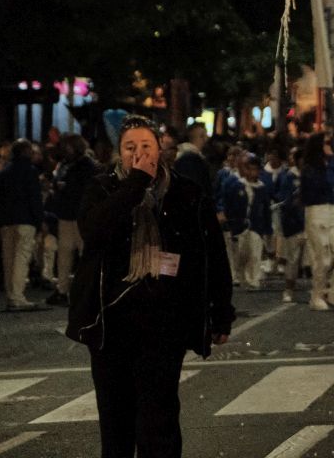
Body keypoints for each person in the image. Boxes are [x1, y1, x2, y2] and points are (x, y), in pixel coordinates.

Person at [66, 116, 233, 458]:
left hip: (164, 322)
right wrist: (136, 184)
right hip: (111, 321)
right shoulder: (102, 188)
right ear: (119, 152)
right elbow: (94, 231)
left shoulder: (185, 192)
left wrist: (220, 312)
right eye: (130, 147)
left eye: (146, 146)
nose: (138, 154)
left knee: (159, 420)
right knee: (116, 422)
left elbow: (211, 254)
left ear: (161, 149)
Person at [300, 133, 334, 312]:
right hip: (316, 211)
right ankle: (317, 295)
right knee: (323, 259)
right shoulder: (310, 168)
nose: (331, 145)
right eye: (327, 143)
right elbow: (312, 190)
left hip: (333, 210)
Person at [46, 135, 97, 307]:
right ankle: (63, 289)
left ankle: (87, 290)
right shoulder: (66, 164)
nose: (63, 150)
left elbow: (85, 189)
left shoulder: (87, 166)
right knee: (64, 254)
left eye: (66, 147)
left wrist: (64, 186)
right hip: (67, 214)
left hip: (81, 216)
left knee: (84, 253)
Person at [0, 140, 43, 312]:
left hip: (7, 221)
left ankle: (10, 295)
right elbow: (34, 198)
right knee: (21, 259)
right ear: (26, 152)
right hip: (25, 220)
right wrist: (39, 220)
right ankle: (17, 296)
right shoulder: (30, 171)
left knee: (8, 259)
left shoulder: (4, 172)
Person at [268, 140, 306, 304]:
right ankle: (288, 289)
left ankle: (322, 290)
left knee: (320, 259)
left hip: (311, 223)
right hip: (294, 225)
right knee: (293, 259)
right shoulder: (289, 177)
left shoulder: (312, 175)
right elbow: (285, 202)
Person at [223, 153, 268, 290]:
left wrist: (267, 227)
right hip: (239, 225)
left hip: (256, 225)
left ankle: (253, 279)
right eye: (250, 169)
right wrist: (230, 223)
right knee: (241, 253)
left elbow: (265, 208)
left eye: (255, 169)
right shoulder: (237, 185)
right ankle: (239, 276)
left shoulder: (261, 187)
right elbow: (229, 205)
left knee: (255, 252)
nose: (252, 172)